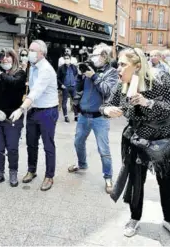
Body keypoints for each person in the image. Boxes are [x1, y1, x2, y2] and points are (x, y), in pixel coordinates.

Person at [101, 48, 170, 242]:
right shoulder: (123, 85)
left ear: (137, 65)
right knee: (136, 183)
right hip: (136, 140)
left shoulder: (161, 79)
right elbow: (104, 105)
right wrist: (108, 110)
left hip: (162, 140)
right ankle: (134, 218)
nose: (118, 69)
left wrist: (148, 102)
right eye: (118, 64)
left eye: (123, 65)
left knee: (166, 183)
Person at [68, 43, 118, 194]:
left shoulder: (112, 72)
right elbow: (78, 89)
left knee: (103, 149)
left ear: (104, 56)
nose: (92, 58)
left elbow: (107, 92)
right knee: (78, 142)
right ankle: (82, 164)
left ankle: (108, 177)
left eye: (95, 55)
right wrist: (79, 75)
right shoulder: (89, 69)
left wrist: (94, 76)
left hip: (100, 118)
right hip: (84, 115)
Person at [9, 40, 59, 191]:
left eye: (32, 50)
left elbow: (36, 91)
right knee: (31, 143)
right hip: (33, 110)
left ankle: (49, 176)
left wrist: (20, 109)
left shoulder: (46, 70)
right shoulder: (33, 67)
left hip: (47, 111)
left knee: (48, 145)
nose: (28, 52)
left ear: (41, 53)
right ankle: (32, 170)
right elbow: (29, 89)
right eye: (28, 49)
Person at [0, 48, 27, 187]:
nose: (5, 60)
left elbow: (14, 83)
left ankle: (13, 172)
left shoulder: (20, 73)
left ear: (14, 58)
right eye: (2, 58)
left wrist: (1, 74)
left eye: (8, 57)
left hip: (13, 117)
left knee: (12, 147)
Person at [57, 54, 78, 122]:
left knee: (75, 101)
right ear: (64, 59)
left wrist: (76, 83)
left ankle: (76, 116)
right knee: (64, 102)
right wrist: (61, 85)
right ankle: (66, 117)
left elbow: (77, 75)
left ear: (70, 58)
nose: (67, 59)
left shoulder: (74, 67)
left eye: (68, 58)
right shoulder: (61, 68)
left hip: (73, 86)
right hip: (65, 87)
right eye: (65, 58)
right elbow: (57, 78)